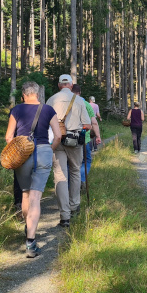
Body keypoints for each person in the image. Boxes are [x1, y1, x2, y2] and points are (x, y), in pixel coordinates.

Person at [5, 81, 61, 257]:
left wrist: (18, 151)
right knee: (36, 197)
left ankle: (27, 228)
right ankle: (31, 242)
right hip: (43, 152)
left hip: (22, 154)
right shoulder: (48, 110)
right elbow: (58, 136)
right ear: (37, 94)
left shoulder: (16, 110)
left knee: (25, 194)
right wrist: (49, 150)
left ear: (23, 95)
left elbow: (8, 137)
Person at [46, 75, 91, 228]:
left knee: (59, 175)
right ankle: (74, 206)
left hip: (57, 140)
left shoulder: (51, 100)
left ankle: (64, 216)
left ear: (59, 85)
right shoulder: (79, 101)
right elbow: (88, 124)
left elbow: (45, 123)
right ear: (71, 86)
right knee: (75, 171)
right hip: (74, 141)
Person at [72, 84, 101, 186]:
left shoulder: (66, 103)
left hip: (68, 137)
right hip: (84, 137)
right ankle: (81, 178)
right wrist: (98, 136)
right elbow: (94, 122)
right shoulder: (86, 104)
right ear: (79, 92)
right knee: (86, 160)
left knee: (69, 162)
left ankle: (70, 183)